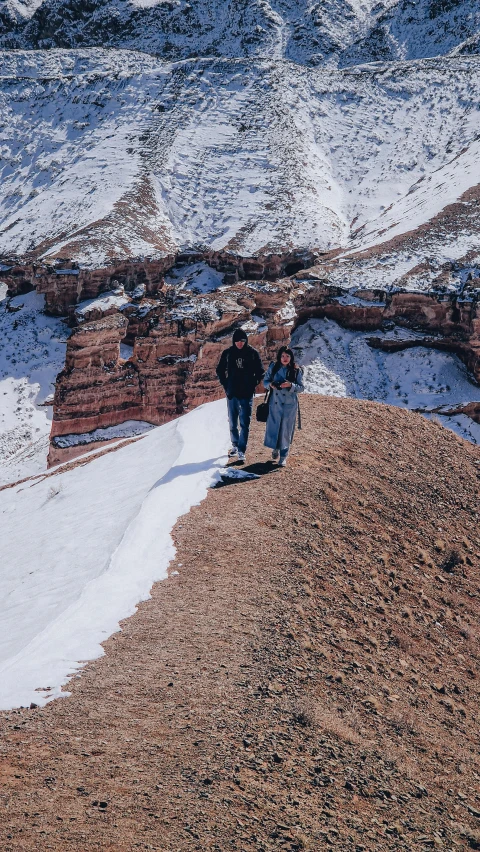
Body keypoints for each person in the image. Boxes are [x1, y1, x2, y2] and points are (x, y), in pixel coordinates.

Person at [216, 328, 265, 462]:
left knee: (245, 422)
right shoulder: (228, 353)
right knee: (233, 422)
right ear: (233, 341)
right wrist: (226, 385)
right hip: (232, 393)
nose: (239, 344)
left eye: (242, 341)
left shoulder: (252, 353)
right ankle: (235, 445)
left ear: (246, 340)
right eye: (237, 341)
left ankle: (242, 450)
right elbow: (220, 370)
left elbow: (260, 371)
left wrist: (253, 383)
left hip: (247, 393)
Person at [263, 346, 304, 467]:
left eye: (287, 356)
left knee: (286, 429)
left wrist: (290, 385)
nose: (285, 358)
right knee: (275, 426)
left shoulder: (296, 370)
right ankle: (275, 447)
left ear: (291, 357)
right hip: (275, 402)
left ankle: (283, 455)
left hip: (289, 404)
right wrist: (271, 384)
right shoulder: (273, 367)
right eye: (283, 356)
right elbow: (265, 382)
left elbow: (301, 388)